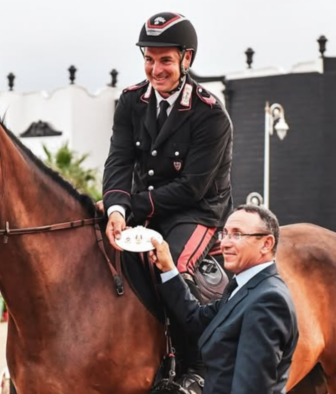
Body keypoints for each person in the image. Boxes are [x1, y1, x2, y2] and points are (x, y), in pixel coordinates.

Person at [101, 11, 233, 389]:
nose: (155, 69)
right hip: (144, 208)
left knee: (173, 268)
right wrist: (114, 208)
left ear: (186, 59)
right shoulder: (129, 102)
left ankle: (195, 370)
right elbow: (119, 160)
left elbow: (191, 188)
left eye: (165, 61)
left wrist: (132, 206)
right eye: (149, 59)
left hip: (197, 211)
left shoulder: (211, 115)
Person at [149, 204, 298, 394]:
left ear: (266, 244)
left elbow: (252, 389)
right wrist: (169, 270)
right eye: (225, 234)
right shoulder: (240, 287)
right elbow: (197, 320)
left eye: (237, 235)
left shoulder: (268, 300)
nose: (225, 243)